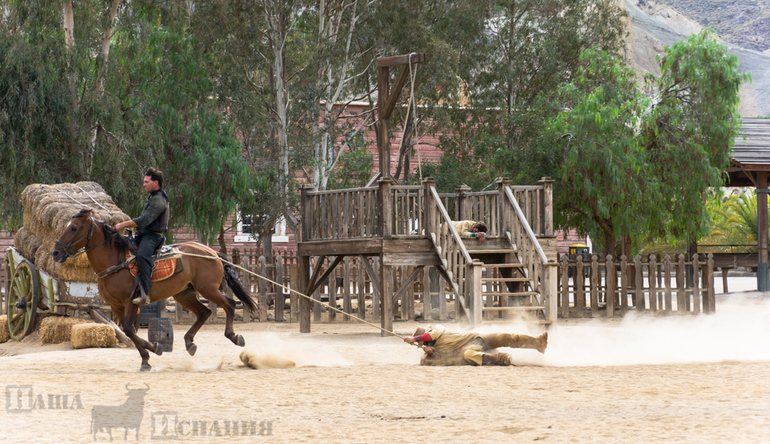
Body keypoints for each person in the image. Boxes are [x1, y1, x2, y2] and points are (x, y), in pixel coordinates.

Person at [115, 168, 170, 305]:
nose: (144, 184)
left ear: (155, 183)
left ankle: (145, 294)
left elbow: (144, 220)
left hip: (153, 237)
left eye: (146, 182)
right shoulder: (153, 198)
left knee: (141, 256)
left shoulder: (159, 200)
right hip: (144, 235)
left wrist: (122, 225)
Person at [404, 324, 547, 366]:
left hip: (477, 338)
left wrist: (414, 339)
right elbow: (438, 359)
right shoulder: (432, 348)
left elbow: (432, 335)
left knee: (504, 337)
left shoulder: (436, 329)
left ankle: (537, 343)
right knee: (468, 354)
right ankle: (502, 359)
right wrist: (430, 353)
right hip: (470, 347)